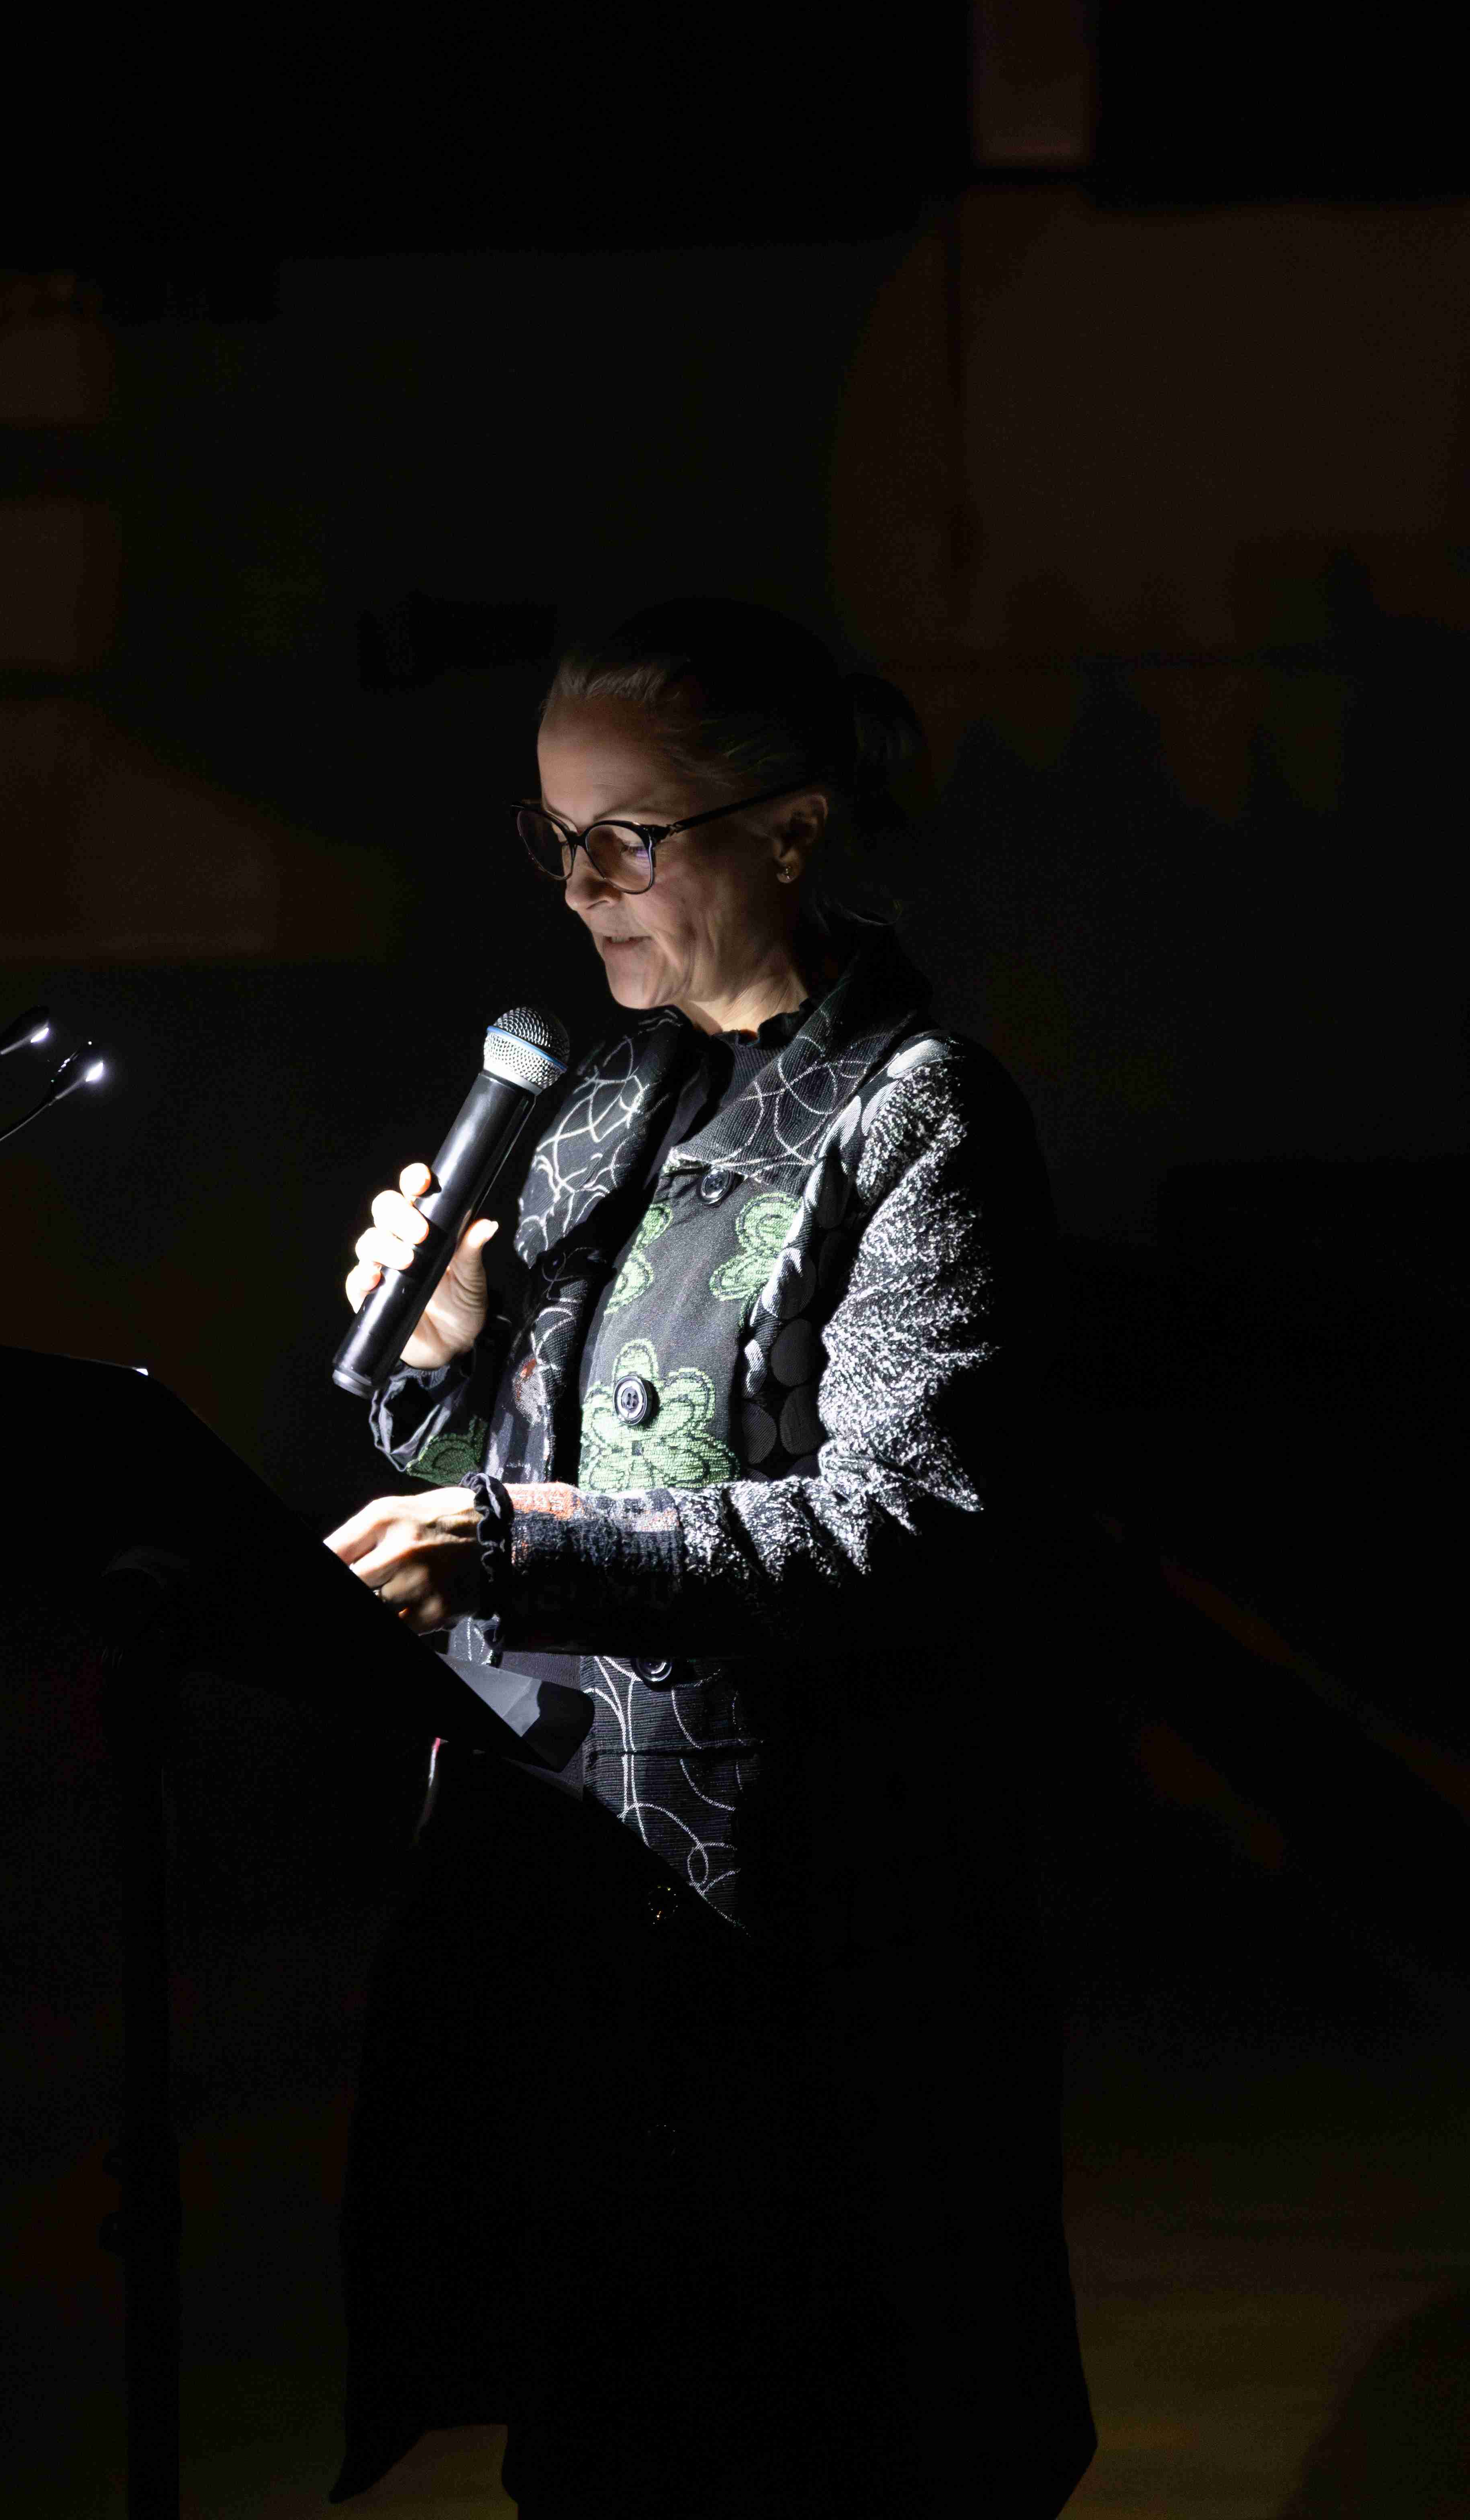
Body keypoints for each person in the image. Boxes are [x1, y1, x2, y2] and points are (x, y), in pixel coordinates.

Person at [322, 598, 1098, 2518]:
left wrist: (509, 1536)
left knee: (820, 2441)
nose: (580, 887)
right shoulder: (592, 1103)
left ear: (790, 830)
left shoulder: (915, 1118)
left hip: (806, 1940)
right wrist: (444, 1371)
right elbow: (493, 1470)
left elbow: (905, 1521)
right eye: (553, 836)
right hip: (573, 1921)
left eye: (628, 837)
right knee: (598, 2442)